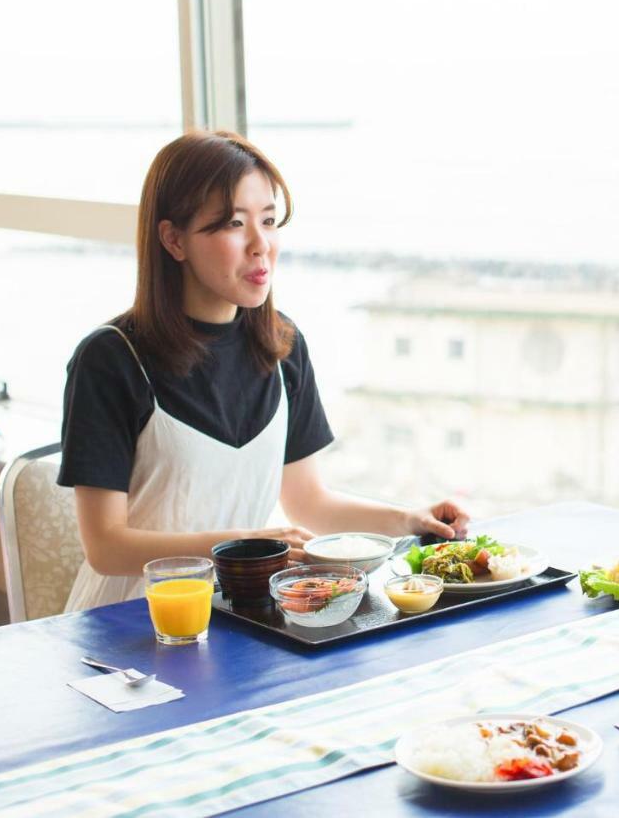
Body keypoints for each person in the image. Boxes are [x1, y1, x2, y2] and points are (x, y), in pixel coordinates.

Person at [58, 131, 469, 610]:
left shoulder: (282, 347)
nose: (261, 246)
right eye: (234, 224)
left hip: (240, 614)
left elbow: (310, 503)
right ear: (174, 239)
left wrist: (410, 520)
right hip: (125, 624)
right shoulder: (111, 359)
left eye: (269, 221)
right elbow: (106, 547)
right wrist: (246, 547)